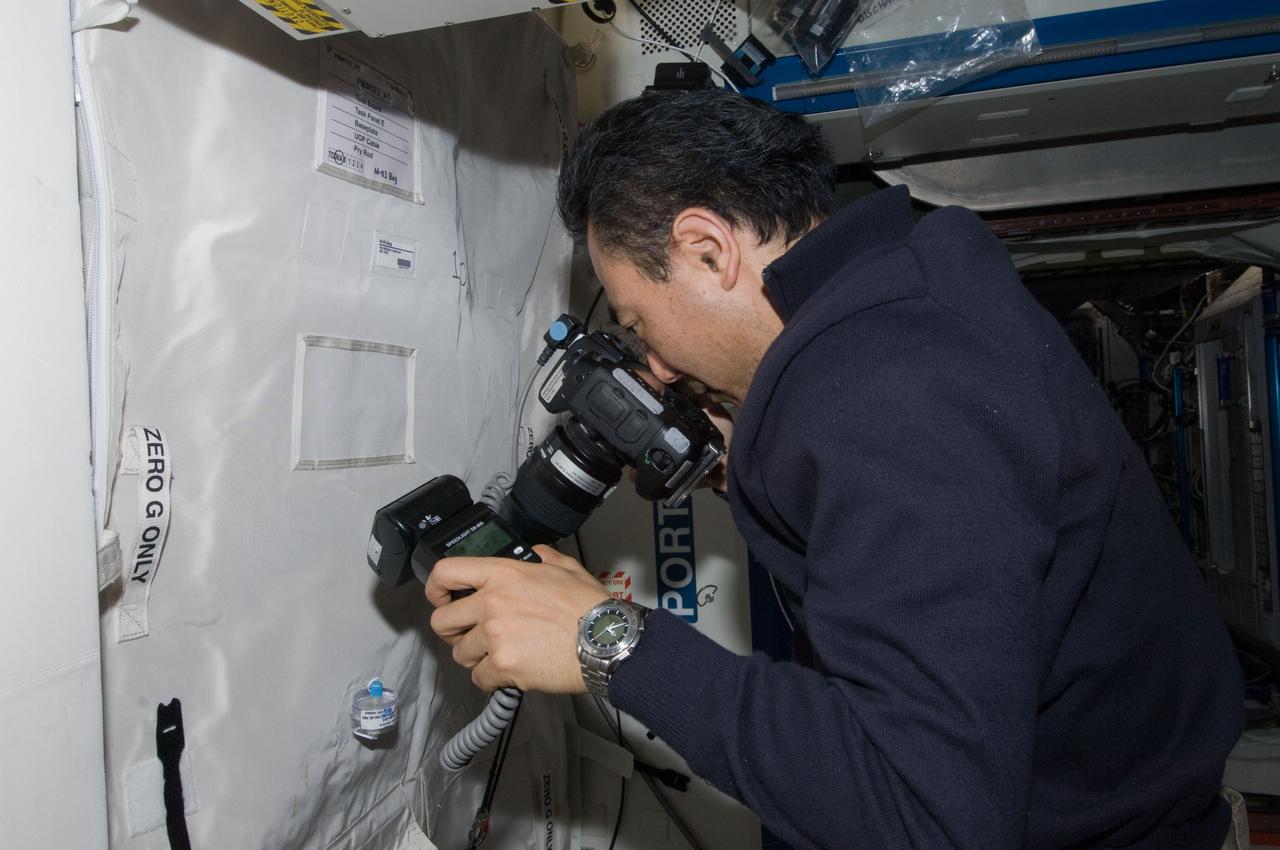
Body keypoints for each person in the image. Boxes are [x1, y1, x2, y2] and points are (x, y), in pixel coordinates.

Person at [425, 88, 1244, 849]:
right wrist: (759, 459)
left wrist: (608, 641)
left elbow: (924, 816)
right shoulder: (903, 303)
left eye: (639, 323)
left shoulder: (894, 404)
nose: (659, 368)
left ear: (708, 249)